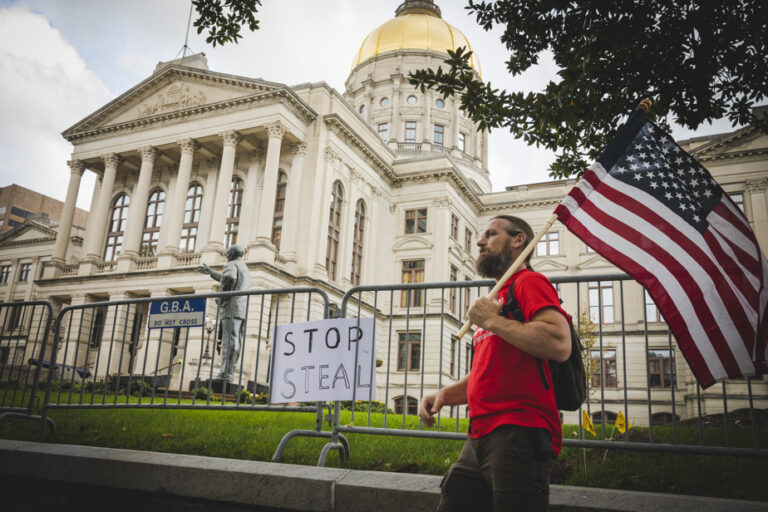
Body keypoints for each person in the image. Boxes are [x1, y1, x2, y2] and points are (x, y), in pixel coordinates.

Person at [418, 215, 571, 511]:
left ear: (518, 240)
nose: (479, 241)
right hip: (479, 435)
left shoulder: (530, 282)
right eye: (481, 235)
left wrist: (490, 320)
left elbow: (559, 343)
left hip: (519, 433)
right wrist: (445, 396)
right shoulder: (497, 297)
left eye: (490, 234)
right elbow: (486, 373)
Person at [197, 245, 251, 383]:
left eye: (228, 252)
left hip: (231, 306)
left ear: (231, 253)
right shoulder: (243, 266)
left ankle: (226, 374)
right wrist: (211, 272)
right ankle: (229, 372)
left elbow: (229, 277)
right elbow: (227, 277)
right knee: (236, 339)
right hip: (241, 307)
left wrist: (223, 296)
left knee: (229, 340)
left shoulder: (231, 264)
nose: (226, 254)